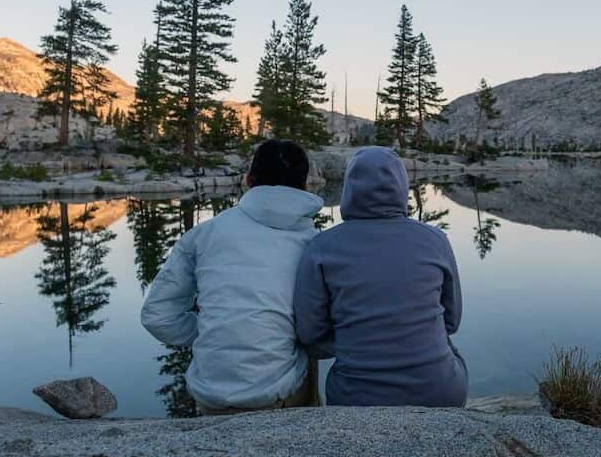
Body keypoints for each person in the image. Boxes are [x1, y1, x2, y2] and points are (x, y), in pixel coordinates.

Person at [140, 139, 323, 415]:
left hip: (209, 394)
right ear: (305, 185)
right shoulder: (315, 243)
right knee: (309, 341)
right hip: (278, 393)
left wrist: (211, 329)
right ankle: (304, 428)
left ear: (249, 180)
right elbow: (326, 332)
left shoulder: (204, 234)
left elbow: (158, 315)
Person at [293, 146, 468, 407]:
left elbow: (310, 335)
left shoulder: (322, 246)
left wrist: (356, 339)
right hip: (440, 394)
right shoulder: (435, 240)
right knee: (445, 343)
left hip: (355, 398)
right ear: (401, 186)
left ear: (349, 188)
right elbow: (451, 322)